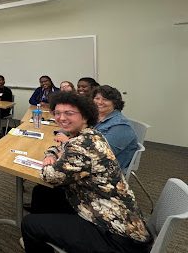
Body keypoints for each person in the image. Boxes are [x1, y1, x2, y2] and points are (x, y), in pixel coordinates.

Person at [21, 92, 152, 253]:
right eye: (57, 113)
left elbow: (50, 175)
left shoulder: (81, 145)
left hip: (116, 235)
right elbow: (62, 146)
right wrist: (51, 154)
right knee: (43, 192)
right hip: (104, 208)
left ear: (85, 116)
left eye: (69, 113)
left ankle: (38, 233)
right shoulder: (91, 134)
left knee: (29, 223)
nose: (61, 118)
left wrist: (50, 162)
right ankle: (46, 238)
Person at [92, 85, 138, 170]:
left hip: (107, 170)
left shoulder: (121, 126)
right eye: (97, 98)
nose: (99, 102)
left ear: (115, 103)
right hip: (92, 162)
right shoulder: (96, 117)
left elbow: (102, 153)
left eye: (105, 99)